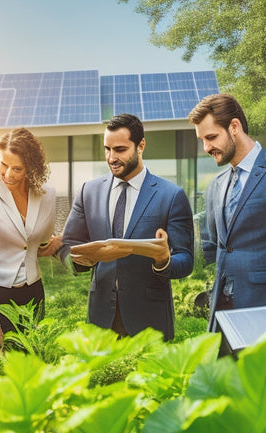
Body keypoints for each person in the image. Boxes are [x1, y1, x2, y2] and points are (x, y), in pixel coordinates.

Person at [61, 113, 194, 340]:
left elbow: (186, 260)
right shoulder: (88, 191)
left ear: (141, 145)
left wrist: (164, 260)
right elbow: (68, 244)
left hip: (149, 321)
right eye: (107, 149)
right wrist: (81, 259)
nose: (111, 157)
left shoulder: (171, 196)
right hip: (101, 320)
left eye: (120, 150)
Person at [0, 127, 62, 352]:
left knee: (32, 364)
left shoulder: (47, 195)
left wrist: (53, 243)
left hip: (33, 292)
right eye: (3, 164)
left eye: (17, 168)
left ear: (31, 167)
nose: (8, 173)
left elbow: (38, 241)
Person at [188, 93, 266, 331]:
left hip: (260, 310)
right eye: (202, 140)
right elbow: (216, 245)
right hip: (221, 312)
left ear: (234, 126)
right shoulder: (215, 185)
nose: (206, 147)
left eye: (211, 137)